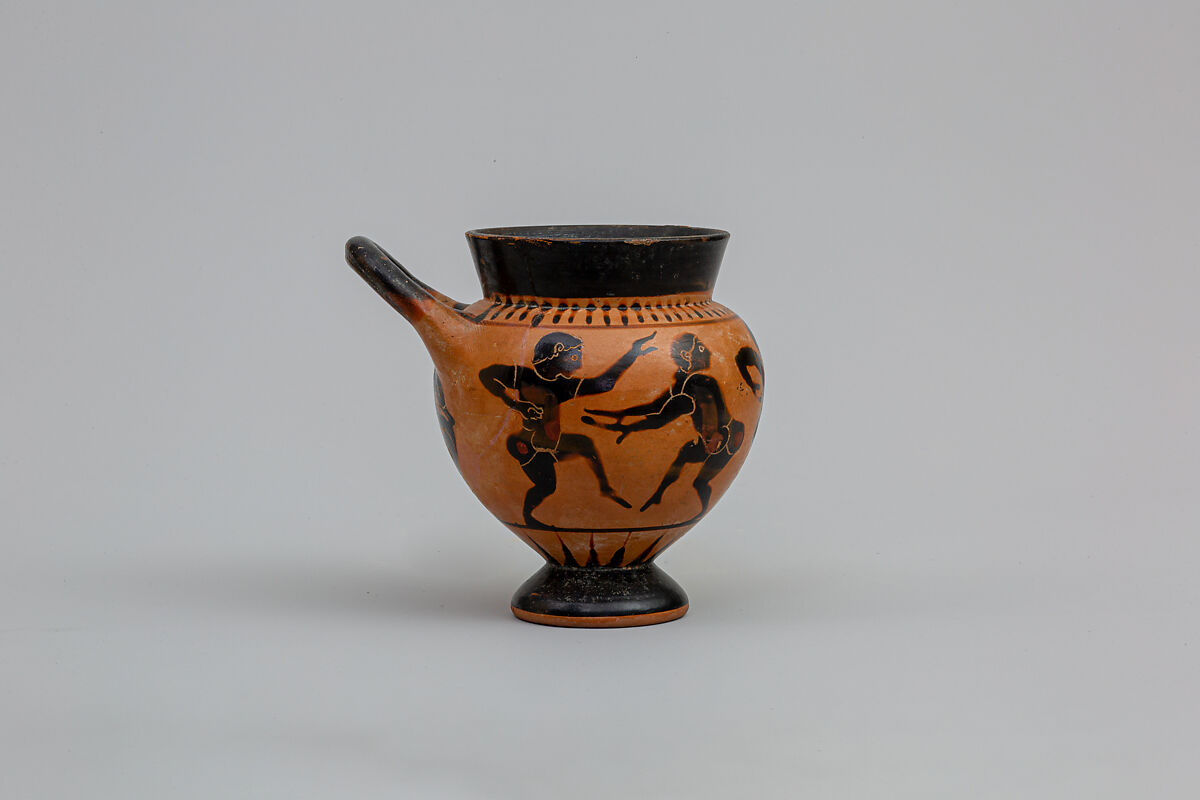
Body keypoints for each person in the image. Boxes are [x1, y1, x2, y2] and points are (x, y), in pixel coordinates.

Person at [479, 331, 657, 528]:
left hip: (550, 442)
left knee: (585, 444)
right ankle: (528, 518)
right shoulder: (521, 376)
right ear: (557, 353)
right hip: (528, 445)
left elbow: (604, 384)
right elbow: (485, 375)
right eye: (574, 357)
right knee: (547, 486)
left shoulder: (563, 386)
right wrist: (515, 404)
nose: (578, 365)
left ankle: (605, 488)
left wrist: (632, 353)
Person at [583, 333, 744, 514]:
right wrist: (624, 415)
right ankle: (659, 495)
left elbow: (661, 416)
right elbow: (657, 410)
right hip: (714, 439)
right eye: (700, 348)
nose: (708, 352)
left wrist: (627, 422)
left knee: (699, 481)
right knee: (687, 460)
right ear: (686, 356)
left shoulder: (701, 382)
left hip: (728, 437)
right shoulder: (686, 386)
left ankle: (665, 498)